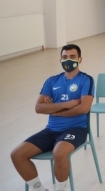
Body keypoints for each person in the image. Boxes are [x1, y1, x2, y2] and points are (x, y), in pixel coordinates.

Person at [11, 45, 94, 191]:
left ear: (80, 59)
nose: (68, 60)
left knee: (59, 153)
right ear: (60, 59)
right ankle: (39, 189)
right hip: (51, 130)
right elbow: (39, 108)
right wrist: (67, 105)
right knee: (17, 155)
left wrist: (54, 109)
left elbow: (83, 108)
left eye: (72, 57)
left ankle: (61, 189)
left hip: (76, 129)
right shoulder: (52, 81)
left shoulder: (86, 80)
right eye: (65, 57)